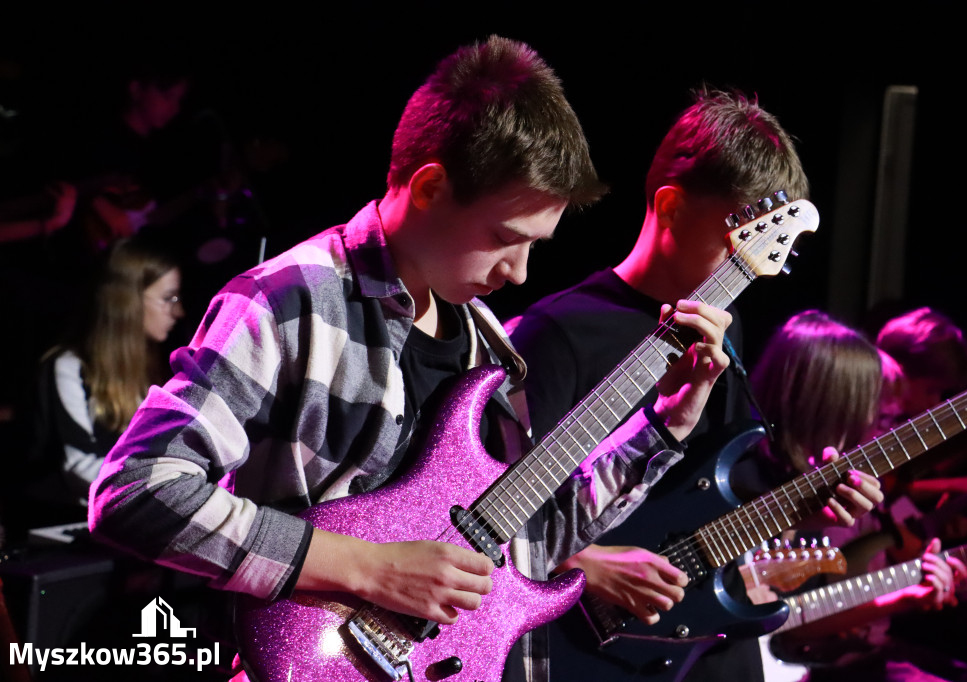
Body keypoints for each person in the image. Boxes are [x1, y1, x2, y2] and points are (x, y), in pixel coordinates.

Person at [89, 37, 732, 681]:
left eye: (535, 246)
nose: (518, 272)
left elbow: (524, 553)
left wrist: (669, 422)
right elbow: (135, 490)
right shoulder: (290, 300)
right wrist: (370, 569)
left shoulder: (490, 347)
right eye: (505, 239)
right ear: (429, 187)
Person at [509, 92, 883, 681]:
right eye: (739, 240)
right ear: (672, 206)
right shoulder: (558, 333)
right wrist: (584, 563)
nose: (750, 266)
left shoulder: (723, 333)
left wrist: (807, 499)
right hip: (582, 648)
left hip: (701, 642)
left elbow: (708, 490)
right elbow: (490, 509)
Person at [749, 311, 967, 682]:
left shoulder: (832, 485)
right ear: (829, 408)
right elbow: (789, 623)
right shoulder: (750, 481)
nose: (880, 432)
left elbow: (789, 609)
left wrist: (914, 578)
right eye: (878, 418)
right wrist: (904, 594)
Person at [29, 237, 184, 512]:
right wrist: (161, 490)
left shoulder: (162, 364)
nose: (178, 311)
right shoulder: (69, 367)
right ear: (127, 301)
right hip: (79, 518)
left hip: (138, 509)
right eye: (167, 298)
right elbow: (79, 466)